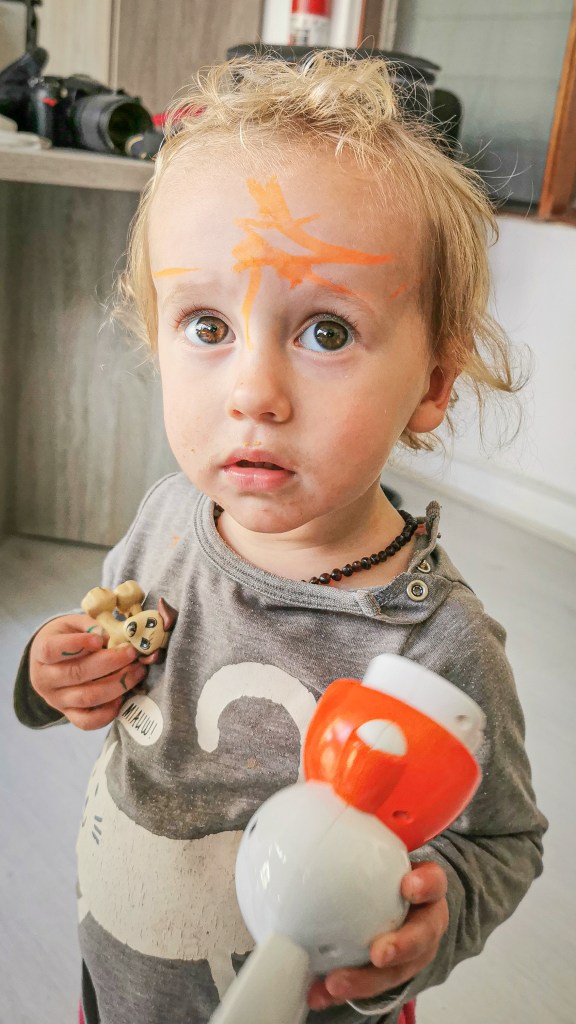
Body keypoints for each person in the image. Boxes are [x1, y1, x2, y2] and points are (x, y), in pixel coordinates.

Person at [14, 52, 547, 1024]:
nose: (252, 392)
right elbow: (107, 670)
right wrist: (57, 673)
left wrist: (433, 926)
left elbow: (503, 842)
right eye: (206, 325)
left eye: (327, 333)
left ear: (433, 380)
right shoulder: (165, 519)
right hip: (118, 983)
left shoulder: (434, 644)